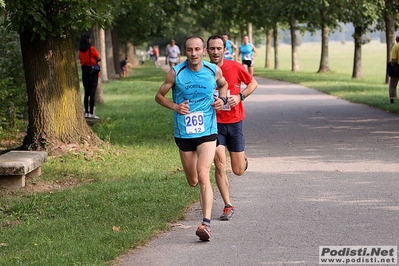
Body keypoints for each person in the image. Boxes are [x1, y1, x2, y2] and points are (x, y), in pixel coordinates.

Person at [155, 36, 228, 241]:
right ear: (184, 52)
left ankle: (206, 224)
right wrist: (176, 107)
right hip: (184, 132)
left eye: (197, 49)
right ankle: (204, 214)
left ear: (203, 50)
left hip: (207, 130)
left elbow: (224, 85)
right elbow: (159, 96)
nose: (193, 53)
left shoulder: (213, 70)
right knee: (193, 180)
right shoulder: (176, 73)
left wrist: (221, 100)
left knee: (203, 173)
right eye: (189, 50)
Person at [207, 34, 258, 221]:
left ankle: (241, 159)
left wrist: (240, 97)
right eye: (211, 48)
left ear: (224, 50)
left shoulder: (235, 67)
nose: (215, 52)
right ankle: (228, 205)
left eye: (218, 48)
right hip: (214, 124)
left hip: (235, 122)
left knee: (238, 170)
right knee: (220, 164)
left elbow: (253, 83)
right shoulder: (203, 71)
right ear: (207, 51)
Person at [78, 33, 101, 119]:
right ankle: (92, 113)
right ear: (88, 40)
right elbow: (99, 58)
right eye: (89, 39)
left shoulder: (80, 51)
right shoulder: (92, 49)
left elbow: (81, 60)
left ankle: (86, 113)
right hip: (93, 73)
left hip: (85, 73)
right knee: (92, 93)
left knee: (86, 93)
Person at [388, 35, 399, 104]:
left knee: (392, 85)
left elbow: (393, 59)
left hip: (397, 68)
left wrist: (391, 67)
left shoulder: (396, 47)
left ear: (396, 40)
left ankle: (392, 99)